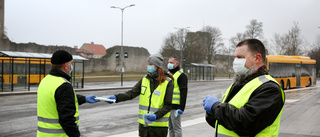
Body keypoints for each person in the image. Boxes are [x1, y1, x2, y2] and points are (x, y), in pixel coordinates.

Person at [203, 39, 285, 137]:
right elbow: (222, 122)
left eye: (240, 57)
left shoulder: (270, 88)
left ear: (257, 58)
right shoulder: (240, 83)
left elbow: (245, 123)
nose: (235, 62)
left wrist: (215, 106)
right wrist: (211, 113)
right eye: (235, 57)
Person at [106, 53, 174, 137]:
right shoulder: (144, 79)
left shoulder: (168, 82)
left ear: (157, 66)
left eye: (150, 65)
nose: (148, 67)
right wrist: (116, 98)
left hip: (158, 128)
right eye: (148, 64)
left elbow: (168, 106)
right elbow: (131, 93)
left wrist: (156, 116)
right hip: (144, 127)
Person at [37, 50, 99, 137]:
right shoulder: (63, 85)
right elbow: (67, 119)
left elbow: (58, 99)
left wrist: (84, 99)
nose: (71, 66)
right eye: (71, 63)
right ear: (66, 65)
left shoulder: (46, 80)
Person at [167, 57, 188, 137]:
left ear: (176, 64)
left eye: (171, 62)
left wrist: (181, 108)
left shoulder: (181, 76)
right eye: (168, 62)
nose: (169, 64)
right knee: (171, 128)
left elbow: (184, 93)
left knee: (176, 128)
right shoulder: (169, 74)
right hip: (168, 106)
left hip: (176, 107)